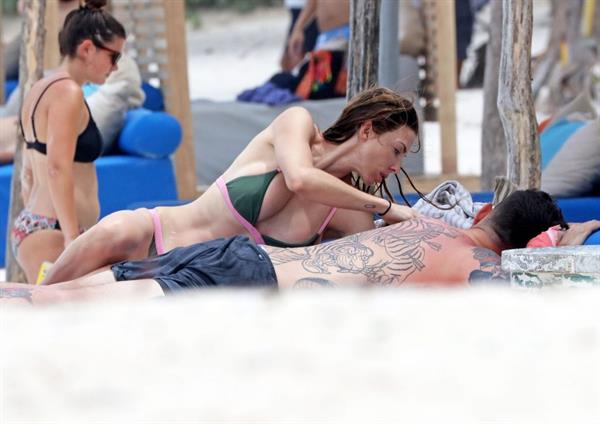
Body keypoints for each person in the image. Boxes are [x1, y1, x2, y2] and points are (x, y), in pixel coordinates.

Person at [42, 87, 420, 285]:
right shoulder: (297, 124)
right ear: (368, 129)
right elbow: (301, 179)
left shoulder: (349, 207)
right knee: (37, 301)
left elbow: (366, 263)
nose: (396, 165)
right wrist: (385, 207)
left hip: (189, 284)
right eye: (397, 150)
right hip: (151, 238)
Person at [4, 190, 599, 306]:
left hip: (230, 255)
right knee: (51, 314)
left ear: (488, 211)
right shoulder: (477, 267)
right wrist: (571, 243)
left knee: (38, 299)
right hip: (244, 285)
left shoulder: (425, 226)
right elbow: (544, 286)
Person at [11, 0, 126, 283]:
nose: (115, 68)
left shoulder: (41, 87)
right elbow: (57, 168)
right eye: (114, 57)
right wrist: (72, 237)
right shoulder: (67, 93)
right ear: (87, 48)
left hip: (38, 226)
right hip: (57, 232)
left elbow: (28, 171)